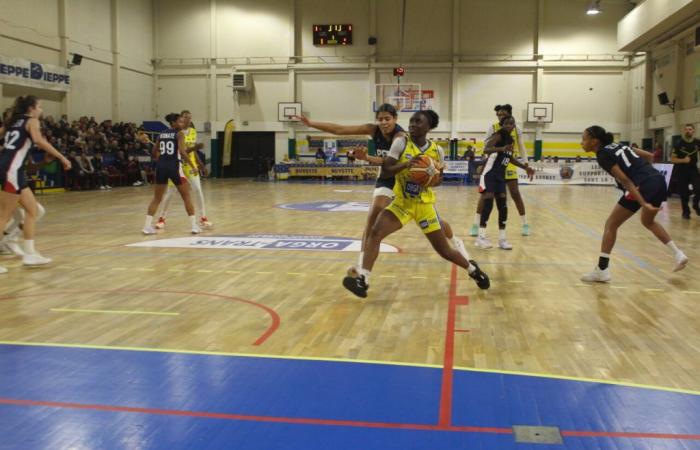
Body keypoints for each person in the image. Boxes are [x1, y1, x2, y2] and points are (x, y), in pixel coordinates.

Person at [296, 104, 471, 276]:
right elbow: (340, 129)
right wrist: (311, 124)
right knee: (373, 217)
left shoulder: (402, 137)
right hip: (389, 178)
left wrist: (367, 158)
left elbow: (388, 162)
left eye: (387, 119)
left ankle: (455, 240)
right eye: (380, 119)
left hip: (406, 176)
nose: (383, 123)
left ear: (395, 119)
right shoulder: (374, 130)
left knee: (437, 222)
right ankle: (361, 266)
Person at [342, 110, 490, 298]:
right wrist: (406, 165)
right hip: (402, 203)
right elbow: (386, 171)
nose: (412, 125)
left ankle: (473, 270)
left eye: (418, 122)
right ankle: (363, 279)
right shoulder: (401, 142)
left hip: (424, 206)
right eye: (411, 121)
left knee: (443, 250)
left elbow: (439, 180)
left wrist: (429, 178)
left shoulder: (437, 151)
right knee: (375, 232)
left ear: (429, 127)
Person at [580, 126, 687, 282]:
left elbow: (625, 180)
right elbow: (650, 156)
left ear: (594, 141)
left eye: (584, 139)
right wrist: (646, 175)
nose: (581, 143)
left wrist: (643, 202)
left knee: (611, 224)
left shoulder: (602, 154)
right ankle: (678, 254)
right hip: (658, 180)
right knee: (648, 222)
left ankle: (602, 270)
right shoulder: (619, 145)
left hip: (642, 185)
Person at [0, 95, 71, 273]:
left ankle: (30, 254)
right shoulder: (32, 121)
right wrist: (62, 157)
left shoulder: (12, 122)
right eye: (39, 106)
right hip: (11, 170)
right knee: (4, 216)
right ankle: (16, 246)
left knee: (33, 210)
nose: (41, 110)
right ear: (31, 108)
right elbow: (39, 141)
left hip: (12, 169)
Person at [470, 104, 531, 237]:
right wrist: (485, 162)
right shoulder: (493, 128)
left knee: (515, 194)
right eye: (498, 114)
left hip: (508, 162)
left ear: (509, 115)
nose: (499, 116)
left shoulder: (516, 129)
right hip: (494, 163)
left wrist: (526, 164)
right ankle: (476, 224)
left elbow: (521, 147)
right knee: (486, 196)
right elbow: (486, 146)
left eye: (502, 114)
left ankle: (525, 223)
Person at [142, 113, 200, 235]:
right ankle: (194, 226)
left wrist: (162, 158)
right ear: (173, 123)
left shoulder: (161, 134)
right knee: (186, 196)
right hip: (174, 167)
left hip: (161, 167)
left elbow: (153, 153)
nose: (182, 123)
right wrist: (193, 166)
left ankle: (147, 227)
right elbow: (183, 153)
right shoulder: (179, 134)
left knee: (157, 198)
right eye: (179, 121)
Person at [154, 110, 212, 230]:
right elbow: (183, 151)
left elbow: (193, 151)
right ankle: (162, 218)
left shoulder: (192, 131)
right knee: (170, 192)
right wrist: (195, 147)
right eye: (185, 117)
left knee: (198, 190)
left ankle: (203, 217)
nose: (188, 120)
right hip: (177, 165)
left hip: (190, 165)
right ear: (180, 118)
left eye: (190, 118)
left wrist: (200, 165)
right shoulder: (176, 133)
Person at [670, 124, 700, 219]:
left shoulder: (697, 142)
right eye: (686, 129)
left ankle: (695, 204)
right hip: (682, 170)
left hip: (693, 169)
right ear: (684, 131)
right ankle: (686, 212)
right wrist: (683, 160)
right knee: (684, 192)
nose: (688, 131)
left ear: (694, 131)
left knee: (698, 188)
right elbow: (673, 159)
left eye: (690, 129)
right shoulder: (678, 143)